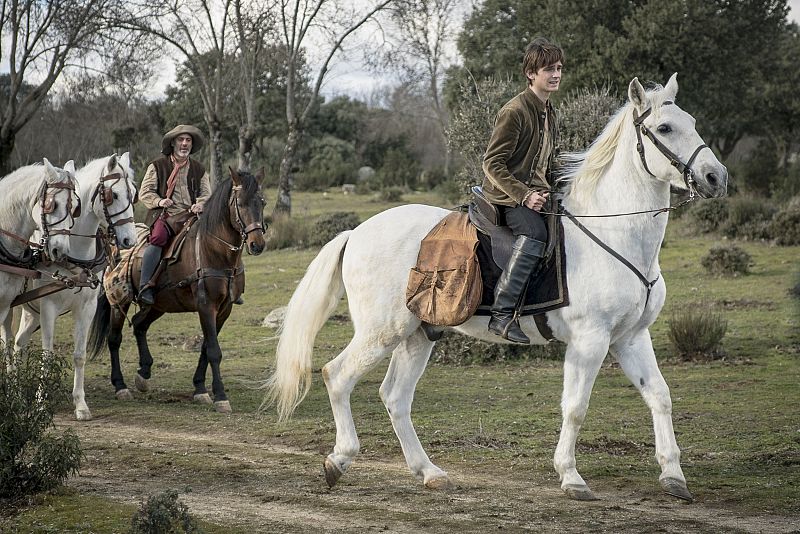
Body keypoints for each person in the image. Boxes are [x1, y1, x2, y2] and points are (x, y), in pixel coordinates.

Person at [481, 37, 563, 343]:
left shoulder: (549, 111)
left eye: (558, 68)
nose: (555, 74)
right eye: (548, 69)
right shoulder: (514, 111)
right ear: (531, 73)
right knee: (535, 234)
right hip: (506, 196)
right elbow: (492, 162)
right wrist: (524, 195)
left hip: (537, 194)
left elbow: (547, 162)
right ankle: (502, 315)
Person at [137, 124, 211, 306]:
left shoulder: (199, 169)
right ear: (173, 143)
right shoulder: (157, 166)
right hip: (166, 215)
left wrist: (200, 204)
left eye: (188, 140)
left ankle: (227, 283)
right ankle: (145, 285)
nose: (185, 144)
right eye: (181, 140)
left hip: (191, 217)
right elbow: (145, 192)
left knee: (214, 237)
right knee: (158, 237)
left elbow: (206, 193)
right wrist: (160, 202)